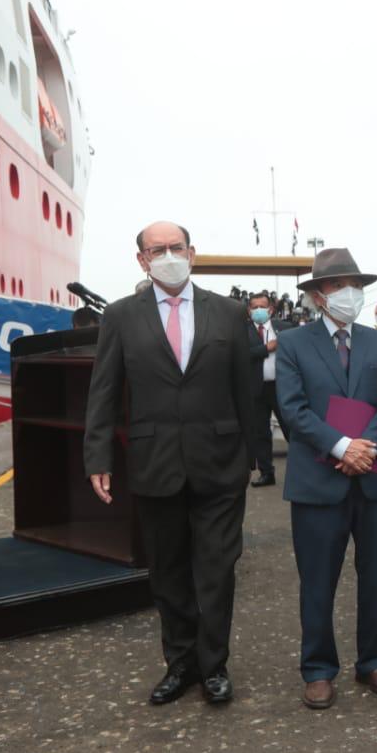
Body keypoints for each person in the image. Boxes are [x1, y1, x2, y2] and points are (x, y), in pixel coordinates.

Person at [83, 221, 253, 705]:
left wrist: (253, 457)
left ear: (192, 252)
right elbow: (105, 392)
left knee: (217, 570)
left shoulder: (229, 312)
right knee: (169, 571)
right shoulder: (120, 317)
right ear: (142, 261)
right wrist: (97, 455)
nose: (168, 255)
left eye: (176, 247)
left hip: (220, 464)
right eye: (157, 250)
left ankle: (214, 665)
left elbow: (246, 390)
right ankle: (182, 664)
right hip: (155, 463)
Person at [275, 248, 377, 709]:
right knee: (317, 579)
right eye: (338, 285)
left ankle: (374, 662)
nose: (351, 293)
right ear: (318, 295)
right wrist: (340, 446)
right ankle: (318, 669)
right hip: (318, 481)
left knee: (374, 577)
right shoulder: (293, 343)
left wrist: (364, 447)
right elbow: (292, 409)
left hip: (371, 477)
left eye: (356, 285)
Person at [246, 290, 294, 488]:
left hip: (281, 387)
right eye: (254, 307)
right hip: (256, 389)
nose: (258, 310)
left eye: (262, 307)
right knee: (261, 433)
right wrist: (267, 348)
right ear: (249, 310)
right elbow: (242, 354)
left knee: (291, 429)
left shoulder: (285, 328)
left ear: (271, 309)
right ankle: (266, 473)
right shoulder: (241, 330)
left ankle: (304, 469)